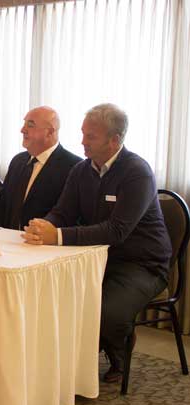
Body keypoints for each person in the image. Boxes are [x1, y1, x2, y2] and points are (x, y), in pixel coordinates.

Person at [22, 103, 171, 383]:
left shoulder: (137, 172)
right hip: (93, 257)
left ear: (114, 140)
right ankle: (69, 360)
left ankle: (119, 350)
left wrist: (60, 236)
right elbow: (63, 211)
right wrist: (45, 225)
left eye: (90, 137)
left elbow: (117, 231)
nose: (82, 142)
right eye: (83, 134)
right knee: (53, 298)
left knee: (104, 311)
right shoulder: (81, 170)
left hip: (141, 264)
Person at [0, 106, 81, 229]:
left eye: (30, 125)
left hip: (43, 244)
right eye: (24, 124)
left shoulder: (74, 166)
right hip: (8, 242)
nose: (22, 130)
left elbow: (69, 215)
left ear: (49, 132)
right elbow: (2, 205)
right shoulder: (18, 161)